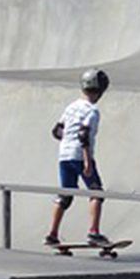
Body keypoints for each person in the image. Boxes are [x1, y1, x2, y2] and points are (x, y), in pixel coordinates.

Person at [44, 69, 110, 246]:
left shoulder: (71, 107)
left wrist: (67, 139)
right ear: (101, 90)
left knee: (66, 194)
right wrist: (87, 160)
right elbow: (84, 134)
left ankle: (52, 233)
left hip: (64, 155)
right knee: (96, 192)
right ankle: (94, 232)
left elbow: (57, 131)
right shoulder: (92, 111)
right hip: (80, 155)